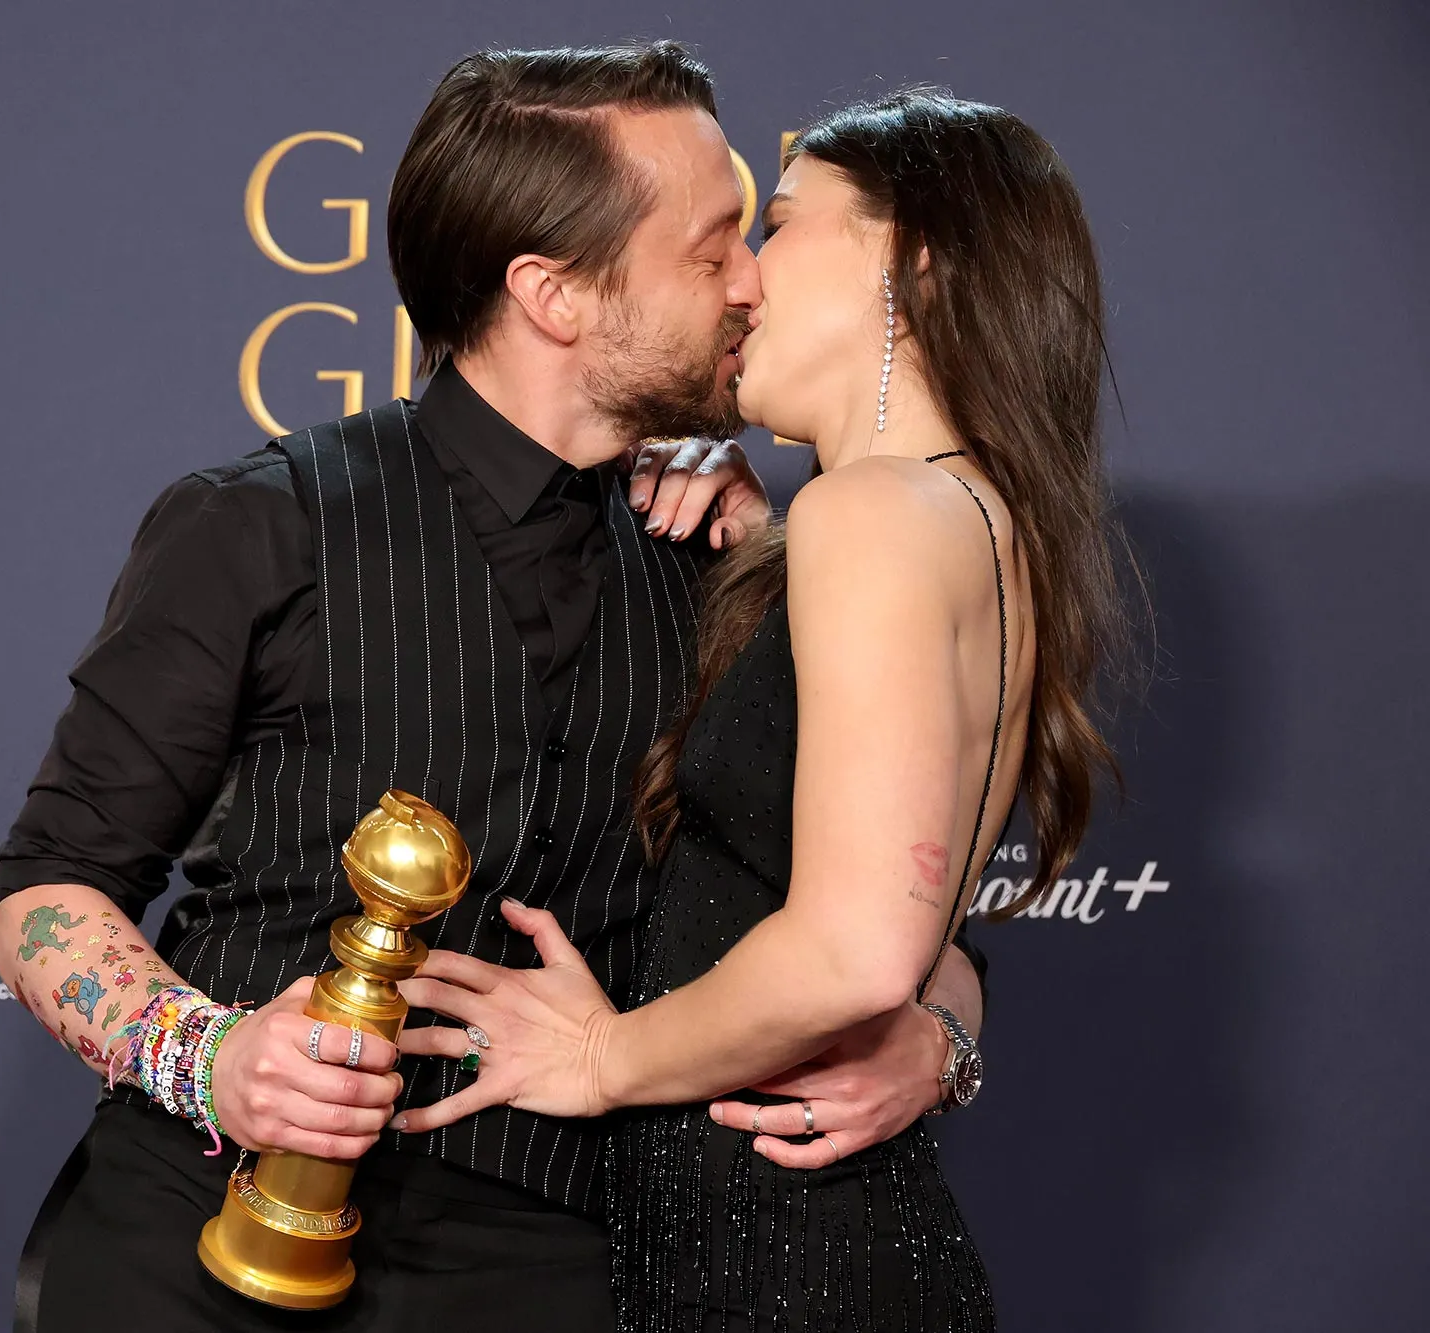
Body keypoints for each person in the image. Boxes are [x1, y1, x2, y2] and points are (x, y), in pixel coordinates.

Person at [0, 48, 987, 1333]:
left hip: (559, 1261)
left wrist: (936, 1043)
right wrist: (213, 1056)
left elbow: (909, 932)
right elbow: (48, 890)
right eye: (710, 247)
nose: (750, 284)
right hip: (196, 1238)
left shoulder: (729, 566)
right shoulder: (261, 523)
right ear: (553, 294)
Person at [392, 89, 1128, 1332]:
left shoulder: (875, 515)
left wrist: (598, 1056)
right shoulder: (950, 515)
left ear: (909, 259)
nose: (739, 276)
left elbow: (854, 949)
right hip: (792, 1231)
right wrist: (759, 549)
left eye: (777, 224)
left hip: (778, 1257)